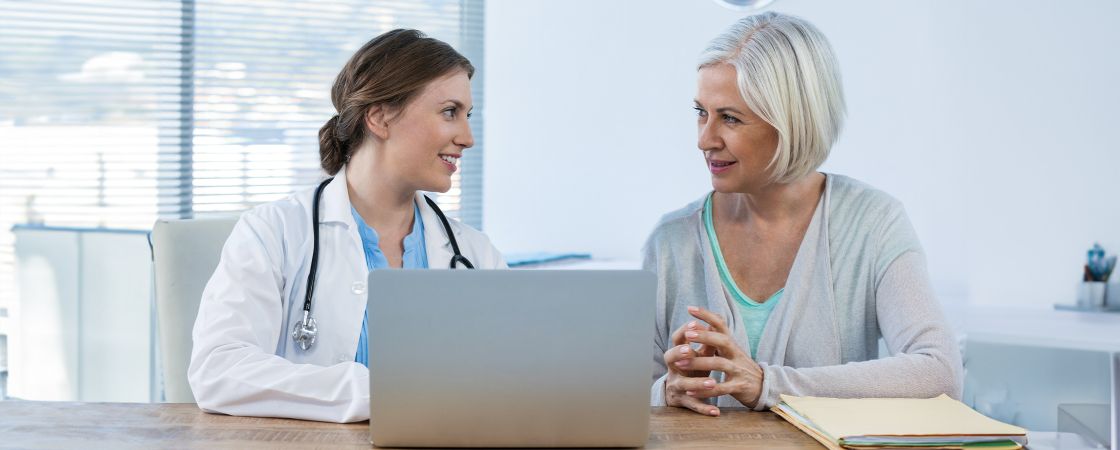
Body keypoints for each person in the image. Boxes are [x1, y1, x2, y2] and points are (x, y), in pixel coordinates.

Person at [645, 12, 962, 416]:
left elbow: (941, 375)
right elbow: (624, 399)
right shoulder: (670, 242)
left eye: (729, 118)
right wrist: (665, 392)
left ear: (791, 122)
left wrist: (768, 385)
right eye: (700, 113)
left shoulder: (873, 224)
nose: (704, 139)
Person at [189, 29, 505, 423]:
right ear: (379, 117)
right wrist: (380, 393)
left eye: (467, 115)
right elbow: (219, 371)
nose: (468, 137)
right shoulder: (273, 232)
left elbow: (511, 379)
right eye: (449, 112)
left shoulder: (475, 254)